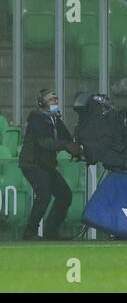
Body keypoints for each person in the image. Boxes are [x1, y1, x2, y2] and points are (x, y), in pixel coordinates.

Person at [19, 89, 82, 240]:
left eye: (56, 99)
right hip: (33, 164)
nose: (56, 102)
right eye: (52, 100)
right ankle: (30, 232)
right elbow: (44, 143)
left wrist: (77, 149)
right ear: (42, 103)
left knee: (64, 195)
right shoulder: (37, 118)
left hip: (46, 165)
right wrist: (66, 146)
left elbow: (66, 138)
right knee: (44, 195)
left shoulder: (54, 119)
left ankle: (51, 231)